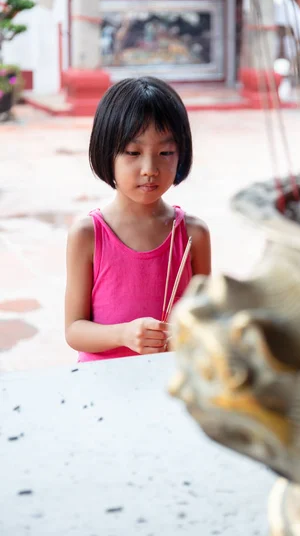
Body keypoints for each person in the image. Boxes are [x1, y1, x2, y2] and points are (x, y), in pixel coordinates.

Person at [65, 76, 212, 363]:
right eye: (133, 152)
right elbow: (74, 330)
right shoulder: (88, 235)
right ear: (106, 153)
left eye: (165, 153)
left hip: (169, 378)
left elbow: (205, 319)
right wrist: (124, 335)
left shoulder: (193, 234)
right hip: (102, 382)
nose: (150, 169)